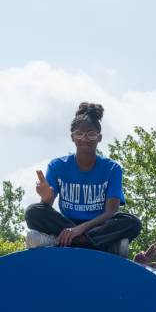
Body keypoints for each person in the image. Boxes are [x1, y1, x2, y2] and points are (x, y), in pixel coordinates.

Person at [25, 102, 142, 253]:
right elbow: (45, 208)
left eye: (91, 134)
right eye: (79, 134)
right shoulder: (57, 166)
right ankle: (101, 244)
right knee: (33, 212)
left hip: (98, 227)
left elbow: (111, 212)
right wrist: (46, 199)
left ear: (99, 138)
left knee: (132, 222)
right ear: (72, 137)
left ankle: (62, 241)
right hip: (65, 225)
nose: (85, 138)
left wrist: (79, 230)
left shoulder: (112, 169)